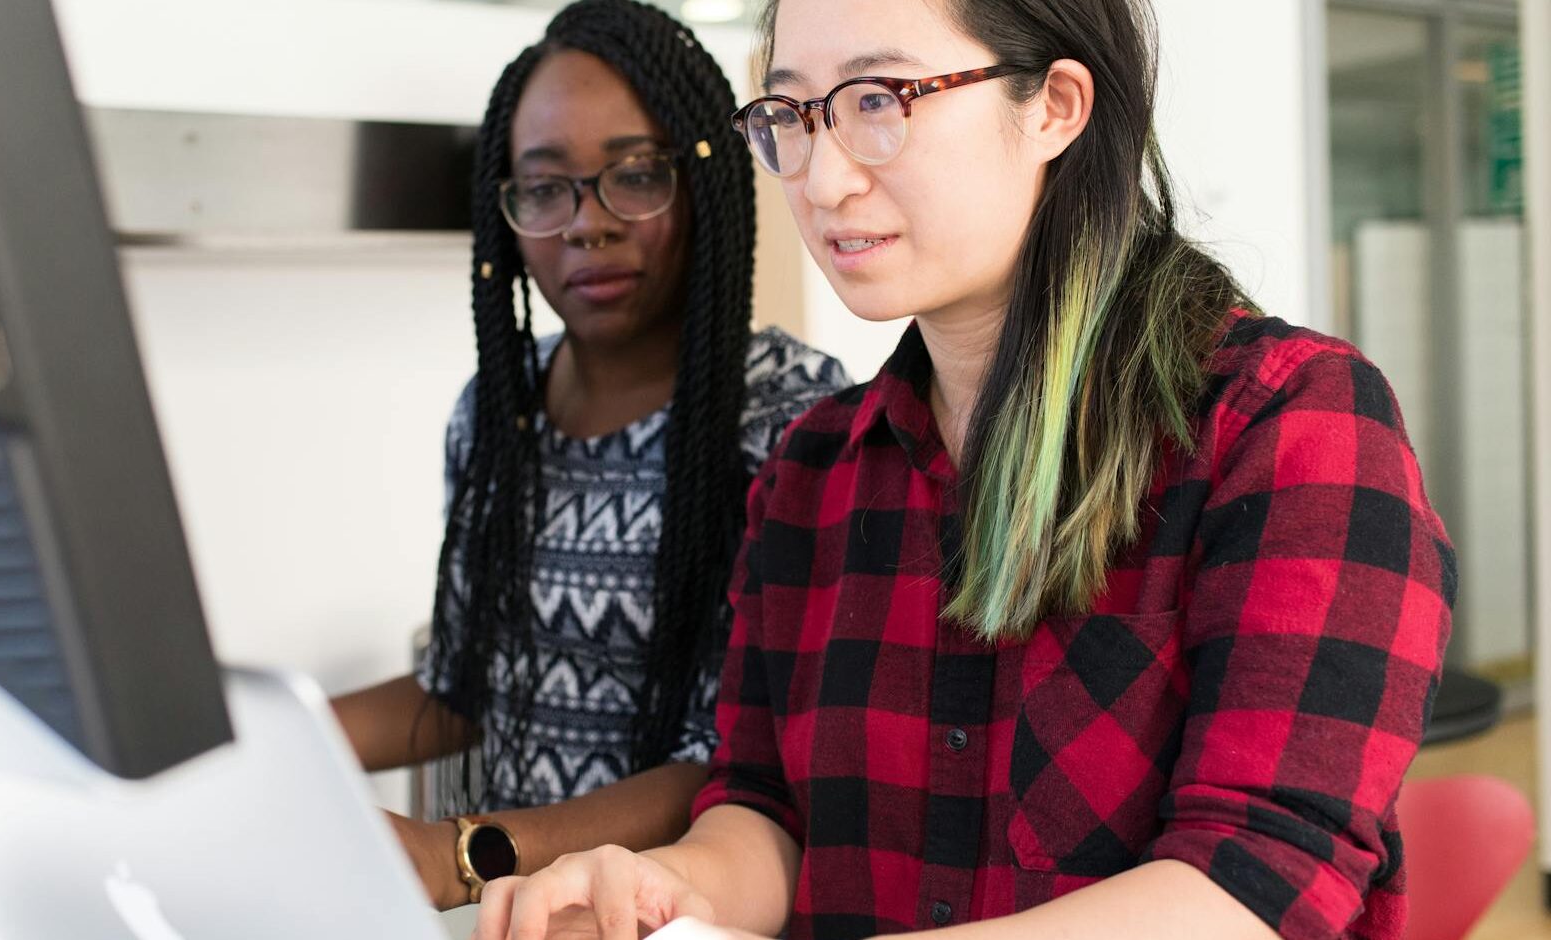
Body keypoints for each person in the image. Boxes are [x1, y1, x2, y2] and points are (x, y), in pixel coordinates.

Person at [473, 1, 1452, 938]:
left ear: (1054, 107)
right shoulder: (810, 471)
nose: (820, 182)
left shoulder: (1287, 421)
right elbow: (764, 812)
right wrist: (661, 883)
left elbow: (1255, 884)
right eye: (790, 116)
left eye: (876, 102)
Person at [329, 0, 852, 912]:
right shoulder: (497, 414)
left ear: (705, 181)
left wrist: (463, 854)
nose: (587, 223)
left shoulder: (790, 419)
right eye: (544, 188)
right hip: (519, 914)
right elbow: (462, 684)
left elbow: (737, 763)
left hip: (673, 914)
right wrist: (261, 739)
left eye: (635, 176)